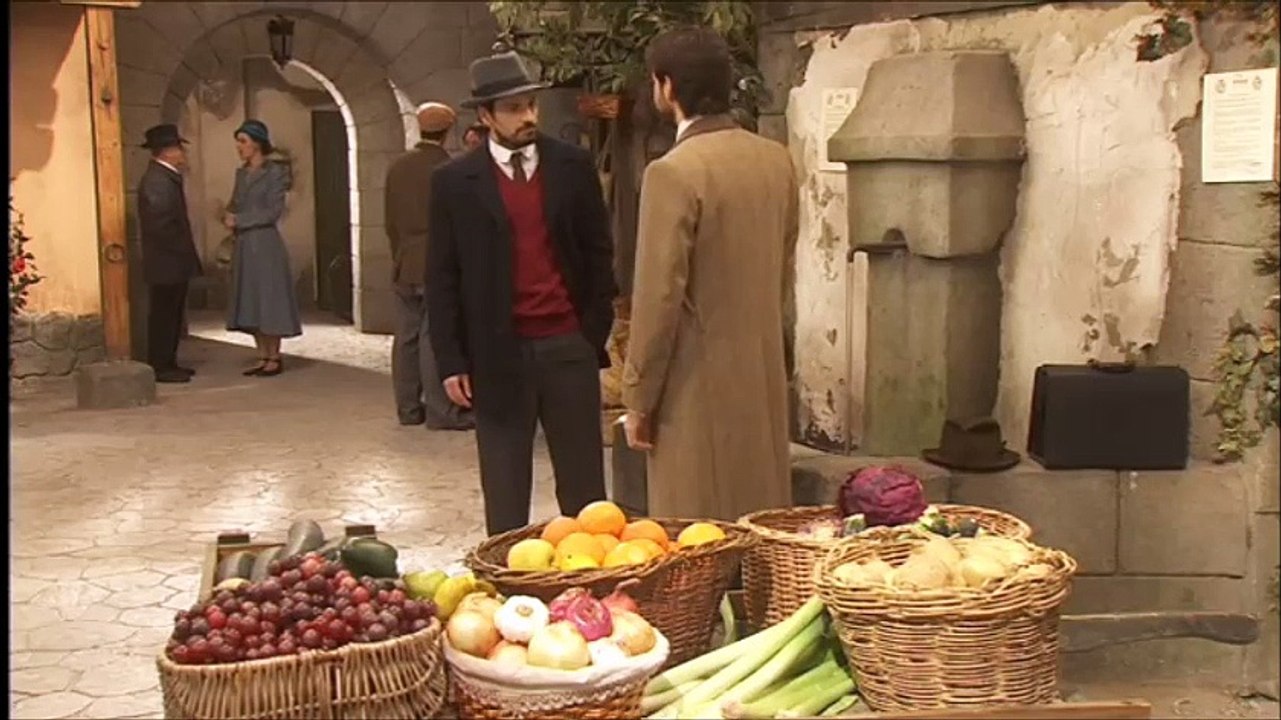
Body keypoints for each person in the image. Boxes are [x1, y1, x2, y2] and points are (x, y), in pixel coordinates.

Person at [427, 50, 617, 536]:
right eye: (513, 108)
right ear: (485, 117)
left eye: (531, 104)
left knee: (585, 492)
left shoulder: (572, 166)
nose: (528, 116)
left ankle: (587, 591)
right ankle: (508, 593)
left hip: (567, 346)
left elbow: (599, 255)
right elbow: (442, 276)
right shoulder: (454, 183)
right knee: (506, 490)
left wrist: (590, 333)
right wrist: (451, 360)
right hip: (497, 353)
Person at [622, 28, 799, 521]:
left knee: (698, 539)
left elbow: (659, 297)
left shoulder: (673, 172)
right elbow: (782, 271)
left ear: (667, 87)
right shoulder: (775, 160)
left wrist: (639, 398)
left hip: (693, 387)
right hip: (762, 376)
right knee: (763, 531)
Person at [385, 102, 474, 430]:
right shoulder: (448, 169)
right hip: (437, 263)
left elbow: (390, 221)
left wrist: (399, 255)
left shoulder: (397, 167)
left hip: (404, 260)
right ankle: (441, 411)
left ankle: (408, 408)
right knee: (434, 335)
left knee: (406, 335)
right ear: (448, 130)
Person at [223, 119, 302, 377]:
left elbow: (273, 211)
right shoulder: (241, 174)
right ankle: (261, 353)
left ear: (257, 144)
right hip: (245, 243)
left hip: (265, 243)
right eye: (238, 141)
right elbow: (236, 202)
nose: (239, 147)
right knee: (251, 298)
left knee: (269, 298)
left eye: (243, 141)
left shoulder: (275, 173)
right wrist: (228, 214)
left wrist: (242, 220)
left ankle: (274, 356)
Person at [137, 124, 203, 384]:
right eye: (178, 148)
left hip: (171, 261)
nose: (182, 153)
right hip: (166, 261)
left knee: (171, 313)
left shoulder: (165, 177)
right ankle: (161, 365)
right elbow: (161, 223)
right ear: (167, 151)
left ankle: (168, 361)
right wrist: (180, 253)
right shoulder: (157, 180)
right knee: (164, 314)